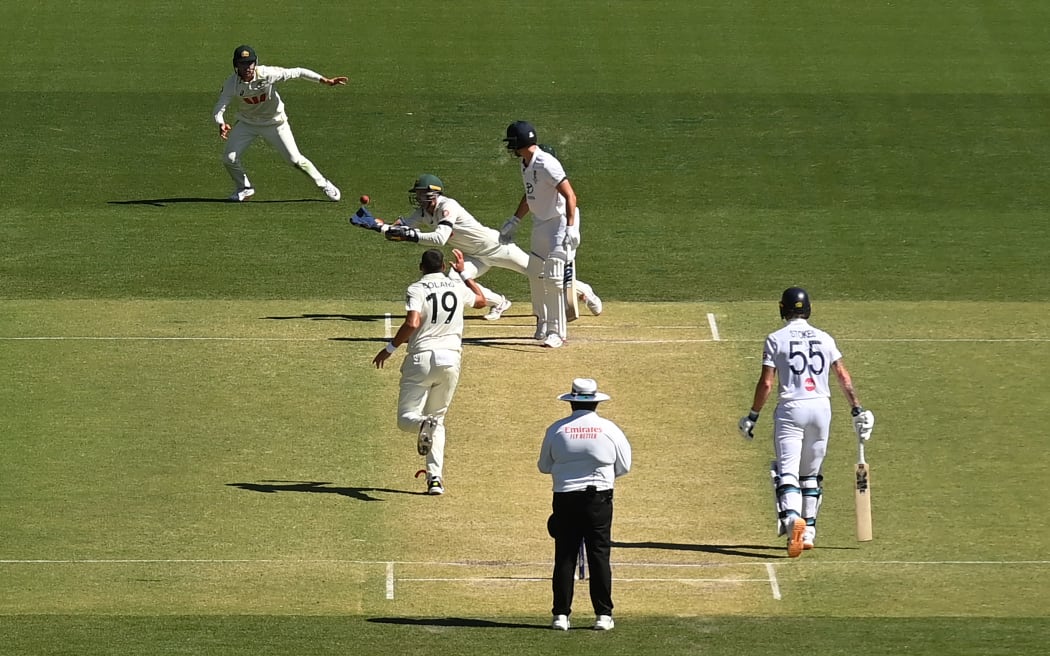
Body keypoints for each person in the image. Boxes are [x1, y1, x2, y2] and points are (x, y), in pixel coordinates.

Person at [737, 287, 875, 556]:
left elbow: (767, 383)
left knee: (787, 472)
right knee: (810, 474)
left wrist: (752, 415)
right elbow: (843, 377)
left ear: (782, 308)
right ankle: (808, 531)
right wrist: (857, 410)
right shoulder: (825, 338)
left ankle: (792, 522)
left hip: (791, 409)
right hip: (822, 409)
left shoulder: (775, 339)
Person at [360, 173, 603, 326]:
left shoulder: (448, 206)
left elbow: (439, 239)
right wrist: (375, 226)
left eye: (422, 193)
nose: (419, 197)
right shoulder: (423, 212)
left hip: (496, 247)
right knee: (453, 283)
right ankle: (500, 302)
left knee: (540, 273)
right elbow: (399, 228)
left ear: (434, 193)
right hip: (473, 256)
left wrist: (410, 236)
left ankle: (584, 291)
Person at [372, 248, 486, 495]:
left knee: (406, 420)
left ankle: (424, 425)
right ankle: (435, 479)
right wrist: (464, 273)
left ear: (420, 267)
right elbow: (481, 301)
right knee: (438, 420)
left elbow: (412, 322)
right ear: (444, 266)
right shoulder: (456, 285)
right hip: (450, 361)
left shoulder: (416, 289)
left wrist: (389, 349)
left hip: (421, 359)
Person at [538, 378, 632, 631]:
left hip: (565, 497)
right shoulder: (609, 429)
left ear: (571, 403)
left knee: (564, 556)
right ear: (595, 403)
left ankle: (560, 615)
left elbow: (544, 466)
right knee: (599, 554)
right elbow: (624, 465)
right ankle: (603, 615)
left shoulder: (557, 429)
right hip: (599, 497)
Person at [502, 121, 602, 348]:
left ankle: (557, 332)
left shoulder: (547, 163)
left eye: (512, 143)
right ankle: (543, 322)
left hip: (559, 222)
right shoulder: (525, 164)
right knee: (535, 272)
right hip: (541, 223)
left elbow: (570, 196)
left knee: (555, 277)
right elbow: (531, 196)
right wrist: (515, 220)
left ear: (520, 142)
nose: (510, 147)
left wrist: (570, 228)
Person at [212, 45, 346, 203]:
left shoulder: (268, 74)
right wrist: (220, 123)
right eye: (243, 63)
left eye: (250, 63)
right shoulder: (231, 83)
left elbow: (298, 71)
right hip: (247, 123)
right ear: (236, 65)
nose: (248, 67)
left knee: (295, 160)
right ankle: (245, 188)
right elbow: (219, 107)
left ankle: (324, 184)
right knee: (229, 158)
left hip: (275, 123)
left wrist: (325, 80)